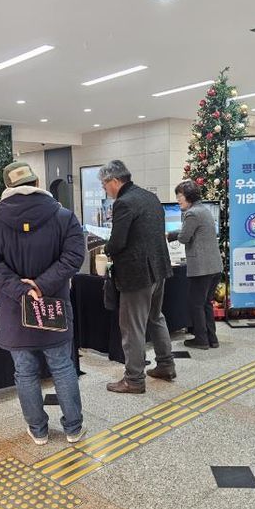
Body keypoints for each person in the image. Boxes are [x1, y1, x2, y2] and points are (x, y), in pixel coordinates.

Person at [0, 161, 86, 445]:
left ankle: (38, 430)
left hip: (14, 311)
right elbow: (74, 257)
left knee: (25, 371)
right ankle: (73, 428)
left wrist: (22, 289)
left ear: (7, 187)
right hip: (53, 305)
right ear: (37, 183)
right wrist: (42, 285)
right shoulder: (64, 216)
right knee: (62, 366)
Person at [99, 160, 175, 393]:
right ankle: (166, 365)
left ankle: (134, 379)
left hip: (137, 274)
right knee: (156, 317)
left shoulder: (123, 203)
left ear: (114, 181)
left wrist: (106, 248)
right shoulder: (150, 197)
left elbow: (118, 242)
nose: (105, 190)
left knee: (132, 327)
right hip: (159, 269)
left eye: (104, 185)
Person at [168, 181, 223, 349]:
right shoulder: (204, 210)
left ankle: (201, 339)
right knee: (206, 303)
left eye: (180, 196)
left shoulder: (191, 213)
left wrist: (171, 235)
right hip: (214, 266)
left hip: (201, 267)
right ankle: (212, 339)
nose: (178, 199)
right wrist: (173, 234)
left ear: (189, 196)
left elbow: (185, 237)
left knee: (196, 304)